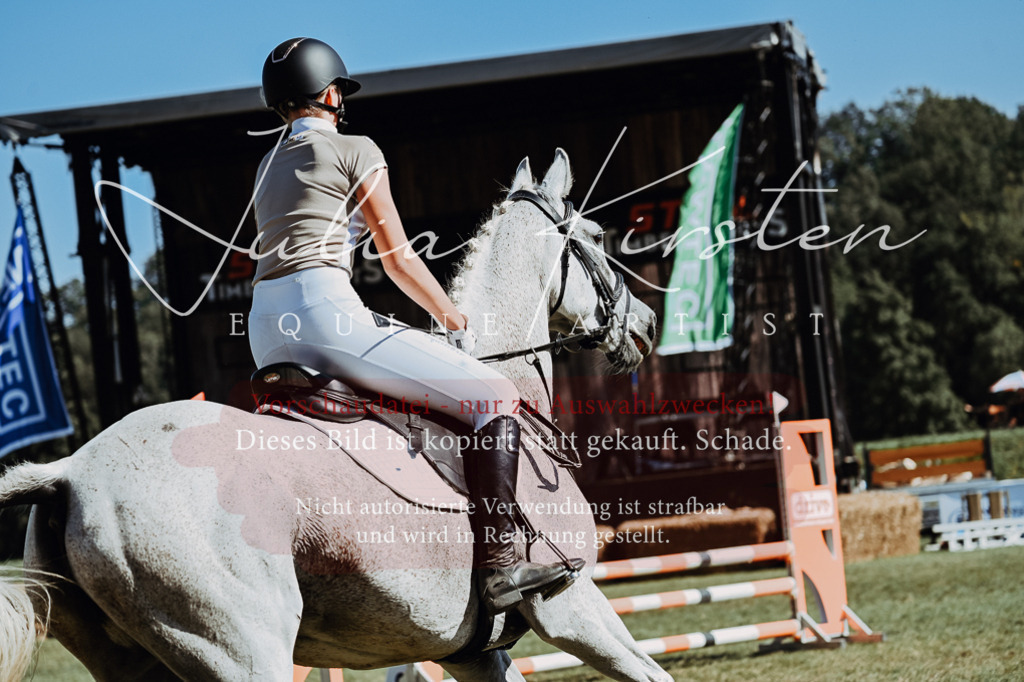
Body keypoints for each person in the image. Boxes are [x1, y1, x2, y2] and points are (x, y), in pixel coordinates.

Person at [249, 37, 580, 615]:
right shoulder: (356, 148)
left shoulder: (266, 162)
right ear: (331, 93)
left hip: (264, 326)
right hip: (326, 312)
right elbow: (398, 258)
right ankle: (502, 566)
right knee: (494, 395)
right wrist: (453, 317)